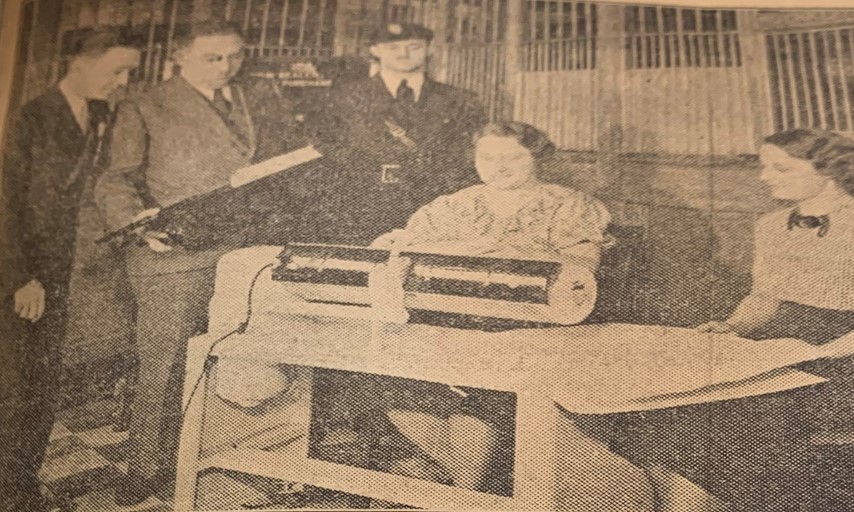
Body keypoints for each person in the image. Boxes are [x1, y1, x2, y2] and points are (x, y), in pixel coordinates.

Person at [649, 128, 854, 512]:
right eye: (765, 167)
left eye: (781, 169)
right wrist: (734, 326)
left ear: (829, 169)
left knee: (749, 415)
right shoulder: (771, 226)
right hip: (788, 342)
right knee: (687, 402)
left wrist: (825, 352)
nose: (764, 177)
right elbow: (766, 297)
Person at [332, 122, 610, 493]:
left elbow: (581, 271)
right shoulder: (454, 204)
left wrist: (503, 254)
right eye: (488, 157)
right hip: (445, 317)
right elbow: (404, 245)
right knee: (388, 380)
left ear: (538, 156)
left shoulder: (568, 204)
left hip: (526, 325)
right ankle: (462, 484)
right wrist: (396, 246)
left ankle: (465, 489)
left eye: (513, 157)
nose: (499, 167)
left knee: (480, 391)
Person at [94, 20, 293, 506]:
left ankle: (230, 451)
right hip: (176, 257)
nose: (227, 67)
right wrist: (138, 227)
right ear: (179, 57)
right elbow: (115, 180)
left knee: (242, 353)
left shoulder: (254, 97)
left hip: (244, 249)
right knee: (165, 364)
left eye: (235, 56)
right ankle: (147, 466)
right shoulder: (145, 104)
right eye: (213, 58)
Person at [0, 29, 141, 511]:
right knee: (15, 389)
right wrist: (20, 278)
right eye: (117, 70)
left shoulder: (100, 115)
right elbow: (5, 205)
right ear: (79, 62)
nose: (123, 82)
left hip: (59, 274)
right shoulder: (28, 119)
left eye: (130, 72)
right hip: (21, 274)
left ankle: (21, 486)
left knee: (40, 388)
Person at [302, 22, 487, 245]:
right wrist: (362, 167)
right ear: (375, 50)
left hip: (433, 209)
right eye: (393, 47)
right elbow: (323, 142)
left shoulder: (460, 100)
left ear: (430, 49)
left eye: (414, 47)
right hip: (361, 207)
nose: (404, 54)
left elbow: (471, 154)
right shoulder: (342, 97)